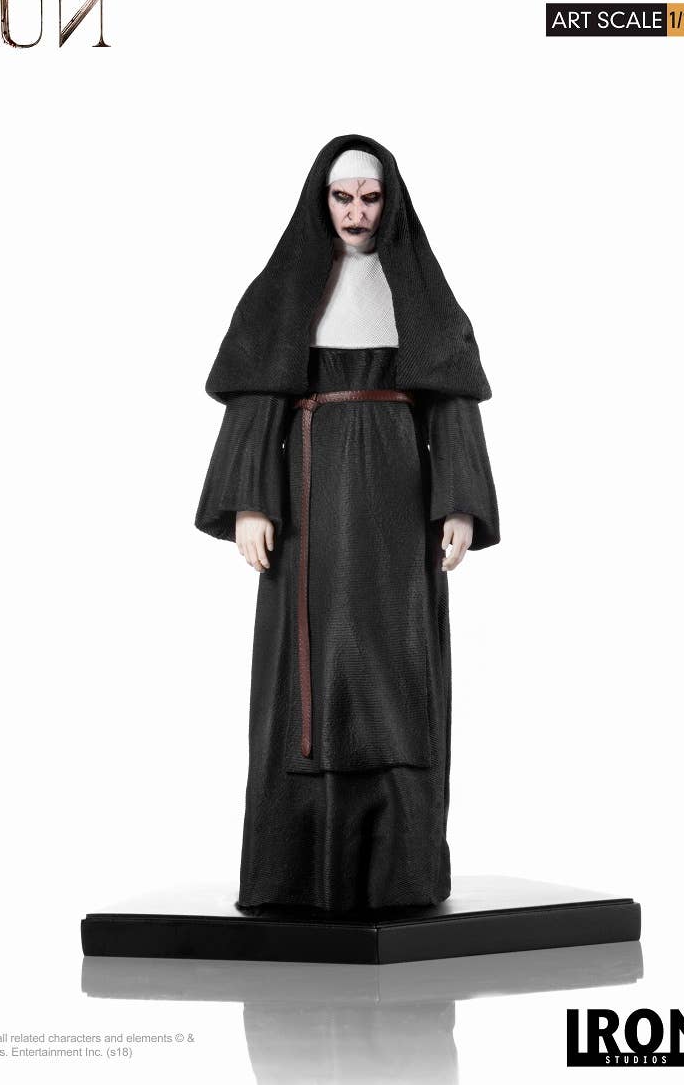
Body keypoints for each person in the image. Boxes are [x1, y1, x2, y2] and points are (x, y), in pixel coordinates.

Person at [195, 134, 499, 913]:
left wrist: (459, 502)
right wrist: (251, 501)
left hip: (400, 509)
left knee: (397, 664)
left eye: (369, 198)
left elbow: (451, 403)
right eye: (342, 198)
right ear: (320, 201)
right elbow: (258, 396)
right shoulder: (284, 291)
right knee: (309, 670)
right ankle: (295, 872)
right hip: (309, 506)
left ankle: (401, 874)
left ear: (389, 202)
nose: (357, 213)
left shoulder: (419, 292)